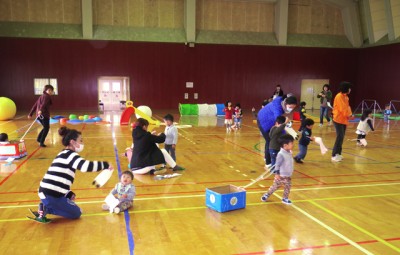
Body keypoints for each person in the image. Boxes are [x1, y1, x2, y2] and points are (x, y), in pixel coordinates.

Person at [28, 127, 113, 223]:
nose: (82, 143)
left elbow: (60, 178)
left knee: (70, 201)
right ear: (72, 142)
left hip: (47, 192)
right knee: (77, 213)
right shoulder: (70, 155)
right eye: (80, 140)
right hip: (51, 195)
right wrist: (105, 165)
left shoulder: (63, 153)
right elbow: (84, 167)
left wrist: (68, 193)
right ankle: (45, 209)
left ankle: (46, 206)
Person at [257, 94, 297, 168]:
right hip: (263, 121)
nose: (291, 109)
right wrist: (286, 134)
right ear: (286, 103)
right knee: (270, 141)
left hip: (270, 120)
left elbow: (280, 125)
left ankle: (267, 157)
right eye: (290, 107)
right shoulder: (277, 108)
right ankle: (268, 163)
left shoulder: (282, 102)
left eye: (293, 108)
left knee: (270, 140)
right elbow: (279, 122)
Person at [261, 134, 294, 205]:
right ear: (285, 145)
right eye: (291, 143)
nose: (293, 145)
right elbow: (277, 165)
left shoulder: (289, 152)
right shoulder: (281, 154)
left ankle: (285, 198)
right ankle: (267, 194)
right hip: (281, 175)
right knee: (275, 187)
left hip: (287, 175)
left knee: (287, 187)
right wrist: (277, 174)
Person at [331, 82, 352, 162]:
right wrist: (349, 115)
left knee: (341, 137)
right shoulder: (339, 96)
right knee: (339, 136)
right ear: (346, 88)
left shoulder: (346, 97)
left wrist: (350, 114)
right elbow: (342, 108)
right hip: (338, 119)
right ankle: (334, 155)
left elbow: (347, 107)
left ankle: (338, 153)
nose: (350, 90)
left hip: (343, 120)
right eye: (349, 88)